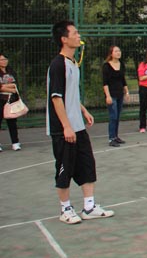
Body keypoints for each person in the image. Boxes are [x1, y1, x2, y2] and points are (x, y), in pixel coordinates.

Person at [47, 20, 114, 224]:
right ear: (64, 39)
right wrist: (66, 126)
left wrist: (83, 110)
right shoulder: (58, 65)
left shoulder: (73, 63)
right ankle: (65, 209)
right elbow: (56, 98)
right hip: (63, 129)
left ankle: (89, 206)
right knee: (64, 169)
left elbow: (70, 95)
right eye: (75, 33)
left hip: (78, 126)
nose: (79, 36)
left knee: (87, 164)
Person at [102, 46, 129, 147]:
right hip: (111, 94)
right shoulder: (106, 66)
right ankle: (111, 138)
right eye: (116, 51)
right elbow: (105, 83)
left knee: (117, 116)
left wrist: (126, 92)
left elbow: (123, 80)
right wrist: (107, 96)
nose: (118, 53)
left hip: (119, 93)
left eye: (119, 51)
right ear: (111, 53)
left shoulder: (121, 64)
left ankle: (116, 136)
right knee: (113, 116)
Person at [0, 52, 22, 151]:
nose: (4, 61)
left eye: (5, 59)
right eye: (2, 60)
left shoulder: (11, 71)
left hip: (11, 100)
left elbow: (15, 85)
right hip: (1, 100)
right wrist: (7, 87)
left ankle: (15, 142)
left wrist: (5, 87)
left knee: (12, 122)